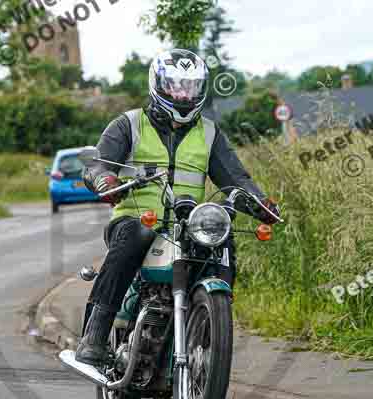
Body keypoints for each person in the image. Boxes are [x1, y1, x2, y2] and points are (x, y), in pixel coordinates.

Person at [76, 49, 281, 366]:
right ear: (158, 85)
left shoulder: (210, 133)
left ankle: (214, 324)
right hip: (134, 220)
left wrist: (260, 202)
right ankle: (95, 336)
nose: (184, 93)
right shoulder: (129, 124)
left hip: (188, 224)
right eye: (176, 85)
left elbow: (235, 178)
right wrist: (104, 181)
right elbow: (98, 165)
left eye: (192, 86)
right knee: (136, 234)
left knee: (222, 238)